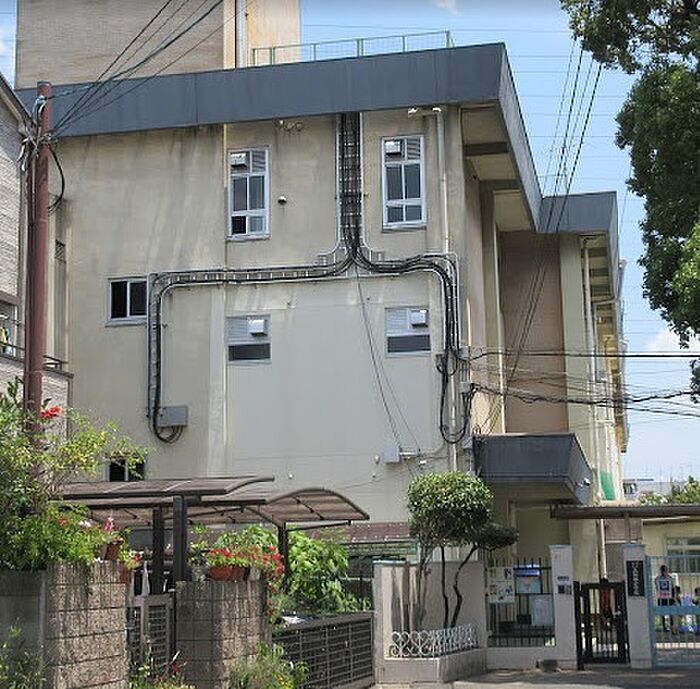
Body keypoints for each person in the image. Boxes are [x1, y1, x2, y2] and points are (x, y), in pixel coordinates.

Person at [655, 564, 674, 632]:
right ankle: (664, 627)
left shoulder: (670, 578)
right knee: (662, 613)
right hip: (661, 598)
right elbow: (657, 587)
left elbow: (672, 588)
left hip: (669, 598)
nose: (666, 571)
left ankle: (672, 627)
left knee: (671, 612)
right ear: (662, 571)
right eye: (665, 570)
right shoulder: (658, 579)